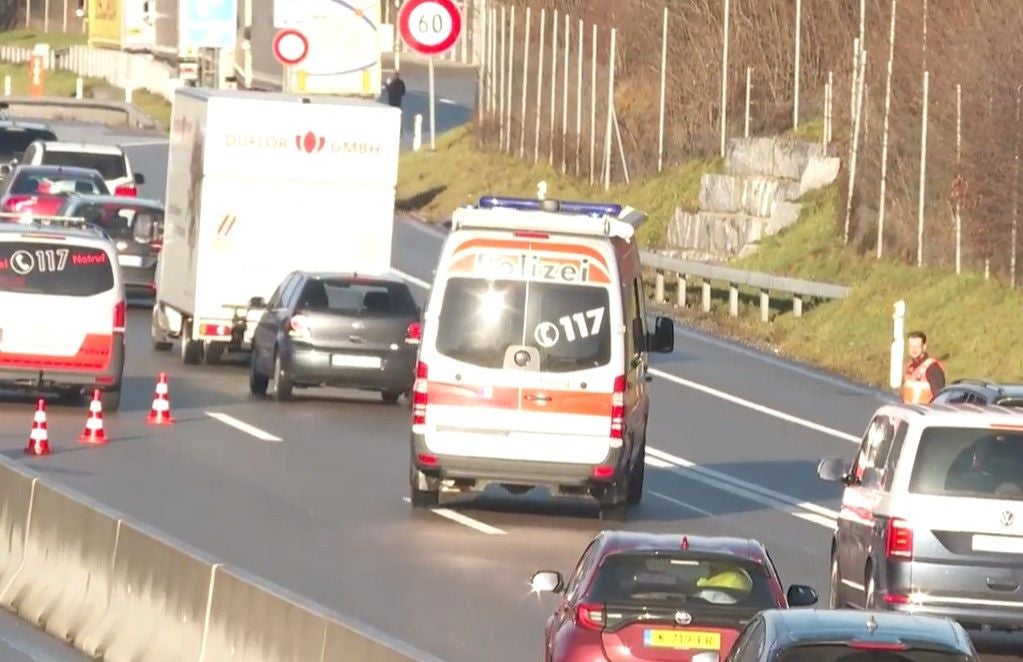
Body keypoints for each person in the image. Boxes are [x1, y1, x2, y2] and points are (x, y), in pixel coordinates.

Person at [901, 330, 945, 404]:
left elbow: (940, 399)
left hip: (924, 414)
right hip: (908, 413)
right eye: (911, 346)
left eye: (917, 346)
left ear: (924, 347)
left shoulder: (933, 369)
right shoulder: (909, 367)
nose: (913, 350)